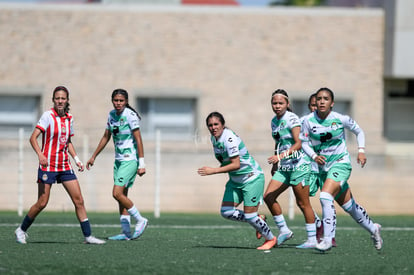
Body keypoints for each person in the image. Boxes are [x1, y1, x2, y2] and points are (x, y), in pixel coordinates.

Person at [14, 86, 105, 245]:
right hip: (48, 166)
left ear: (67, 100)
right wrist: (40, 155)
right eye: (57, 98)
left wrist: (76, 159)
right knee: (42, 202)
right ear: (53, 100)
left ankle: (88, 236)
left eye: (63, 98)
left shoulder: (70, 118)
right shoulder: (47, 116)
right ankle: (21, 230)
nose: (60, 101)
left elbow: (67, 142)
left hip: (64, 165)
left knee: (79, 200)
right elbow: (33, 138)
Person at [301, 87, 383, 252]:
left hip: (341, 164)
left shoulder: (340, 119)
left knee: (325, 196)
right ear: (315, 102)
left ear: (332, 103)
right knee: (349, 206)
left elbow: (359, 131)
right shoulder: (307, 121)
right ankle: (373, 229)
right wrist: (313, 156)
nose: (322, 101)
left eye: (325, 98)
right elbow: (303, 142)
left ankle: (328, 239)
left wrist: (361, 151)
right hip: (324, 169)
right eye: (319, 99)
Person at [197, 111, 277, 250]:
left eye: (216, 124)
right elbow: (225, 160)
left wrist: (213, 170)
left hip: (251, 178)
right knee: (226, 211)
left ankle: (271, 238)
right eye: (210, 125)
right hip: (235, 181)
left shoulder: (229, 139)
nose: (213, 127)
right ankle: (259, 219)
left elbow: (236, 164)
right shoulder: (214, 138)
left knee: (250, 216)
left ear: (223, 125)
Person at [86, 88, 148, 241]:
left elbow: (139, 140)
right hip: (119, 160)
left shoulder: (130, 115)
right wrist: (93, 156)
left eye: (121, 101)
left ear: (126, 102)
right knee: (122, 195)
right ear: (112, 101)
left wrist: (142, 163)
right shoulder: (111, 115)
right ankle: (126, 233)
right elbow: (106, 136)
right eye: (116, 100)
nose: (118, 103)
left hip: (130, 160)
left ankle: (140, 219)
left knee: (116, 193)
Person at [262, 89, 317, 249]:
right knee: (268, 197)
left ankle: (312, 239)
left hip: (299, 166)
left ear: (287, 104)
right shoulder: (273, 121)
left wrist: (279, 157)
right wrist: (275, 164)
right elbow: (278, 143)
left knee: (303, 203)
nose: (277, 106)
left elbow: (299, 143)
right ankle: (284, 230)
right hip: (284, 167)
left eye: (280, 103)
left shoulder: (292, 118)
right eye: (274, 103)